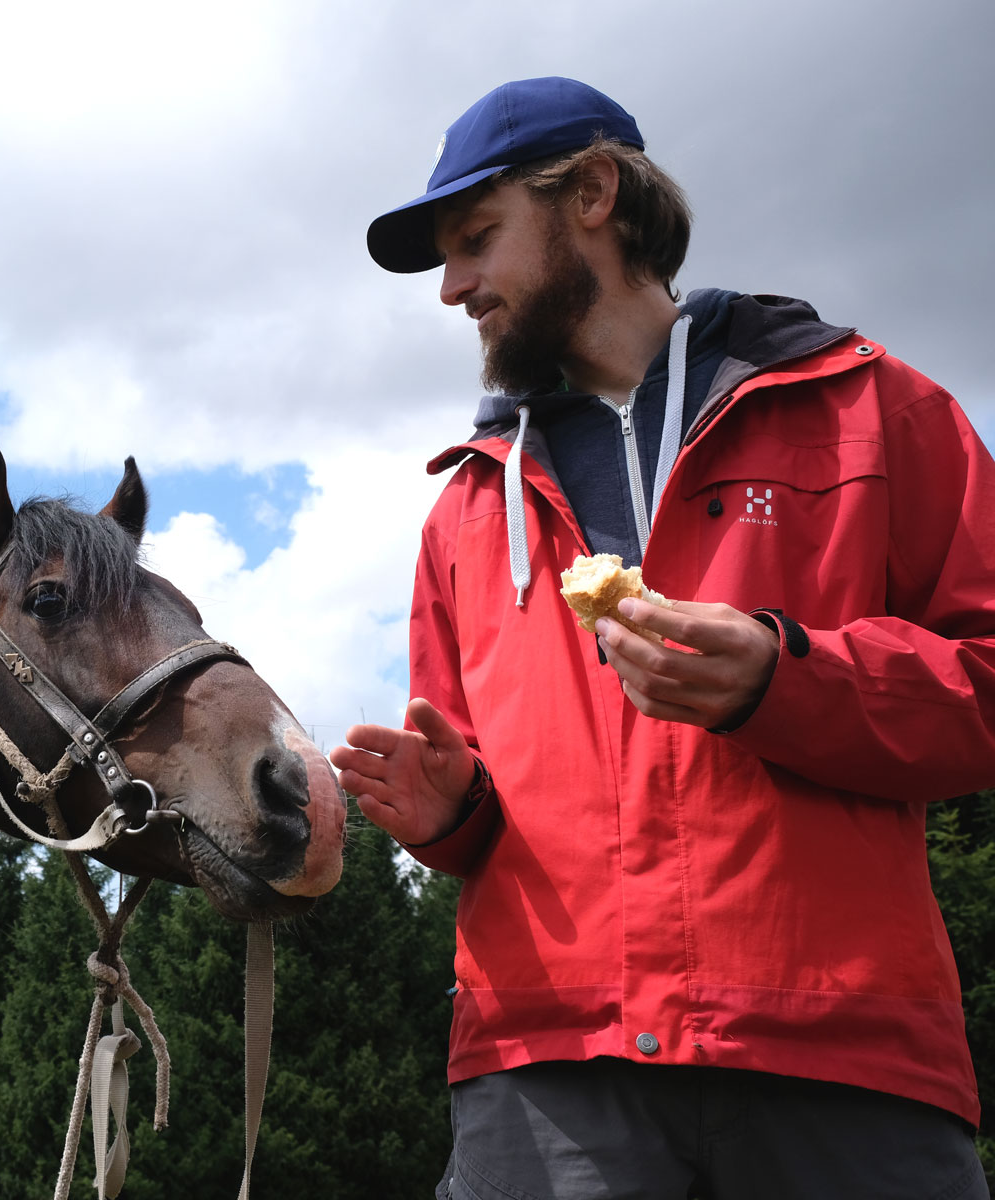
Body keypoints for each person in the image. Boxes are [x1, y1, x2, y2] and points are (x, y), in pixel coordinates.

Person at [332, 76, 995, 1198]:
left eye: (477, 240)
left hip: (842, 1055)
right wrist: (453, 814)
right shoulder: (462, 509)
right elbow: (480, 786)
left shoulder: (873, 408)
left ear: (593, 192)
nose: (451, 290)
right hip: (543, 1070)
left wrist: (786, 680)